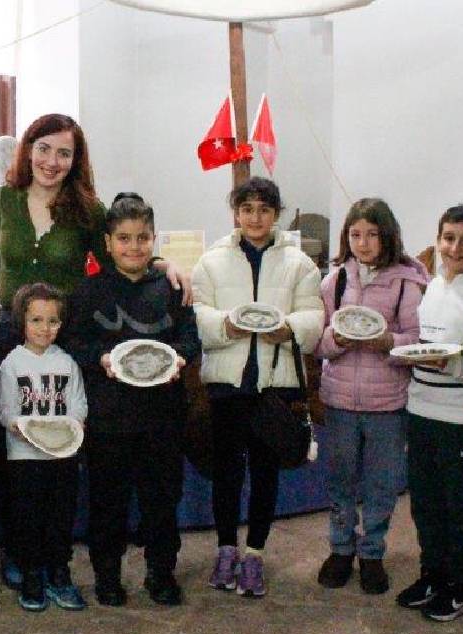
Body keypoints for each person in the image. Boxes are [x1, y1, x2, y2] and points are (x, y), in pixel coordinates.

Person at [0, 112, 192, 589]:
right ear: (28, 149)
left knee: (59, 452)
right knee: (13, 448)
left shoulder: (88, 209)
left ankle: (57, 555)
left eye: (64, 153)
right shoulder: (3, 200)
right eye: (44, 148)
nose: (53, 161)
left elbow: (121, 251)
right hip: (11, 332)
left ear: (76, 160)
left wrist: (163, 263)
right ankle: (18, 551)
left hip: (62, 337)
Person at [63, 193, 200, 607]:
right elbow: (73, 344)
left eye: (142, 237)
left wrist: (180, 357)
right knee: (108, 503)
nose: (134, 246)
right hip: (109, 420)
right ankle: (107, 576)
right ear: (107, 242)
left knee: (162, 502)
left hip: (163, 418)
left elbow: (191, 339)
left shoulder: (173, 288)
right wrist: (99, 358)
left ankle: (161, 573)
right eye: (124, 238)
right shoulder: (88, 293)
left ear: (154, 239)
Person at [191, 177, 323, 598]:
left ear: (276, 214)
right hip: (228, 387)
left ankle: (255, 555)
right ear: (235, 212)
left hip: (275, 387)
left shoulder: (300, 263)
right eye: (246, 208)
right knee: (226, 475)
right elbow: (199, 315)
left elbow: (313, 318)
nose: (255, 217)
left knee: (266, 476)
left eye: (264, 209)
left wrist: (288, 329)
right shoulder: (211, 262)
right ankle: (226, 549)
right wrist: (224, 325)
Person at [314, 198, 428, 595]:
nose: (363, 243)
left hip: (388, 405)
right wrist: (336, 340)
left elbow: (416, 341)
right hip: (340, 401)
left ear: (388, 236)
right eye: (355, 234)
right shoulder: (335, 281)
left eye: (372, 234)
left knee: (381, 483)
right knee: (340, 480)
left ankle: (373, 552)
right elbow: (319, 341)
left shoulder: (407, 283)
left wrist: (387, 342)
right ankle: (341, 549)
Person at [394, 203, 463, 621]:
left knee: (460, 506)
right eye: (449, 238)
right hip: (421, 408)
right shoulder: (433, 286)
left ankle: (460, 586)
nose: (455, 248)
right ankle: (432, 575)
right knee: (426, 503)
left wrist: (450, 364)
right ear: (438, 240)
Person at [0, 282, 89, 612]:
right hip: (24, 457)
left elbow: (78, 405)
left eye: (52, 321)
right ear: (22, 321)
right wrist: (17, 425)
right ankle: (32, 574)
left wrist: (75, 425)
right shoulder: (12, 364)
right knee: (28, 518)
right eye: (36, 320)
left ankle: (59, 573)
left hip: (63, 457)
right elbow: (4, 409)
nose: (44, 328)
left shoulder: (67, 363)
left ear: (61, 324)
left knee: (60, 516)